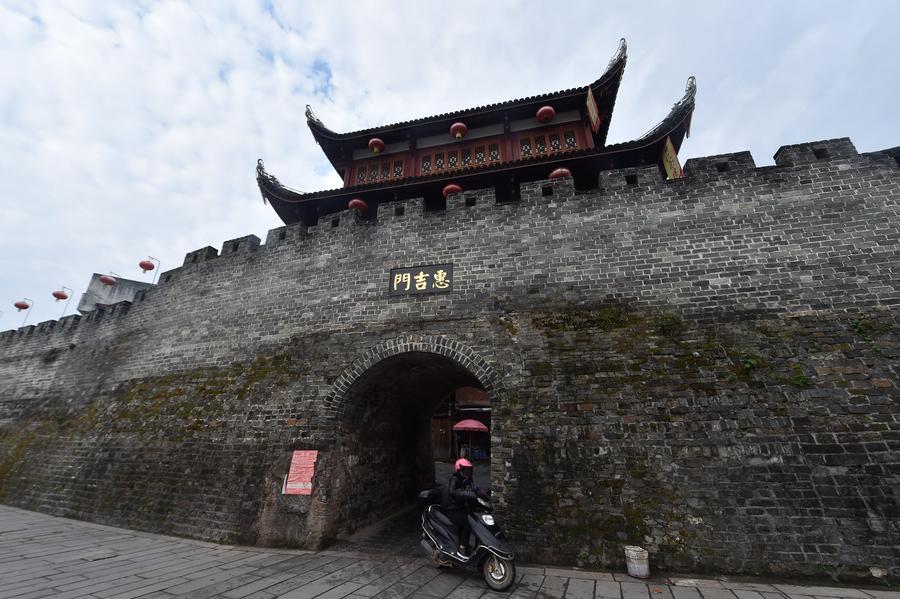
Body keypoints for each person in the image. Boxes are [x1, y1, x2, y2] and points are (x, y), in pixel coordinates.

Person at [446, 458, 479, 557]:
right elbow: (452, 491)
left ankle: (465, 543)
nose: (468, 472)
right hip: (453, 509)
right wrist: (462, 493)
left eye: (469, 470)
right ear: (459, 470)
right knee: (468, 523)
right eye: (466, 470)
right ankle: (462, 548)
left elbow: (473, 489)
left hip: (463, 508)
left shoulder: (468, 479)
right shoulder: (454, 479)